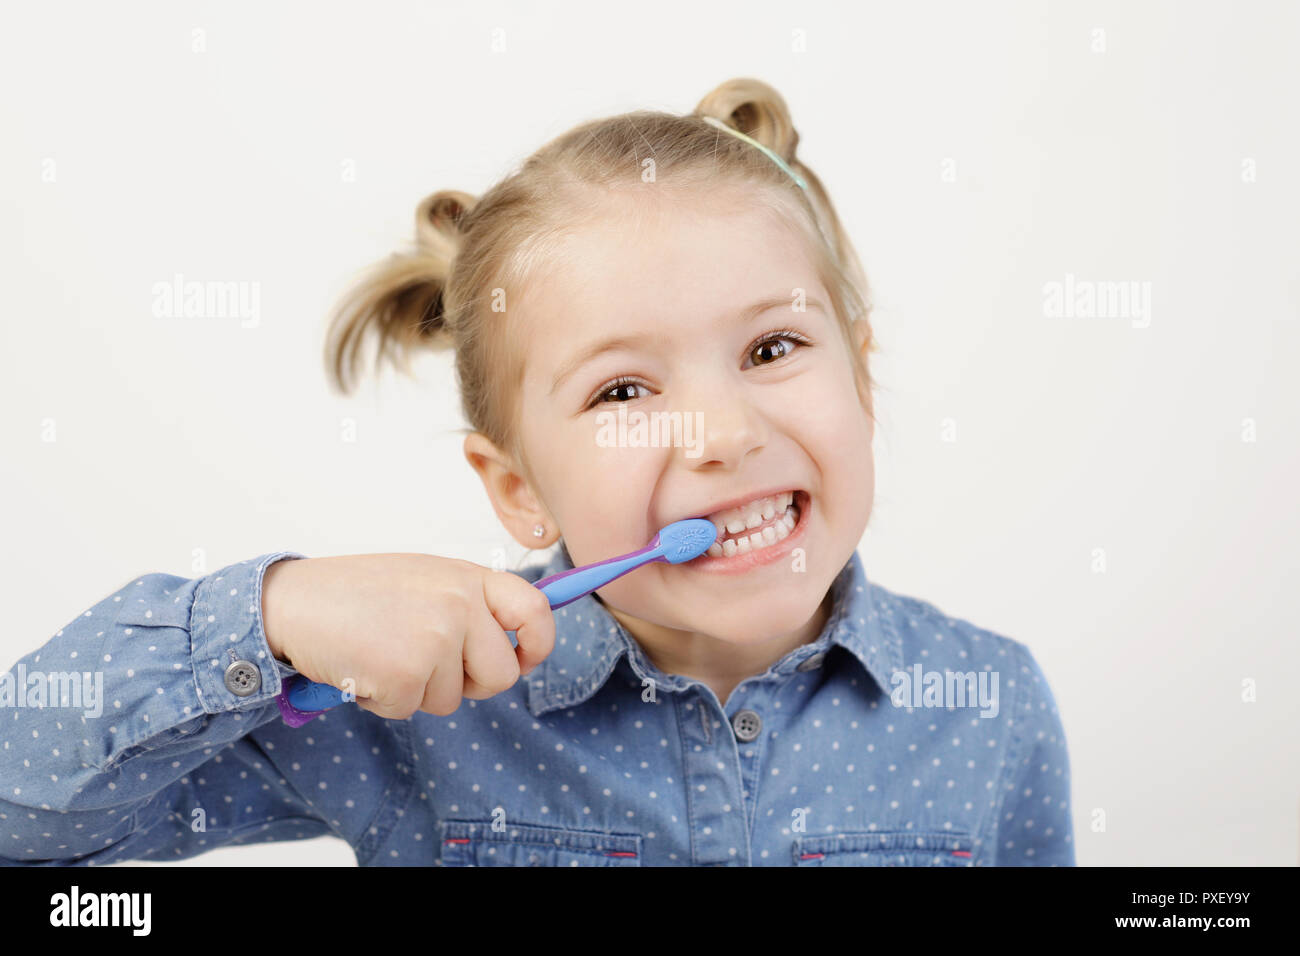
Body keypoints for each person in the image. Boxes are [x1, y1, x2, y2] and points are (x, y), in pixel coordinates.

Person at [0, 77, 1073, 866]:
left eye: (770, 349)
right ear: (515, 487)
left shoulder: (991, 705)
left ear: (862, 381)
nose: (721, 432)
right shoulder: (419, 713)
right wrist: (271, 614)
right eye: (622, 391)